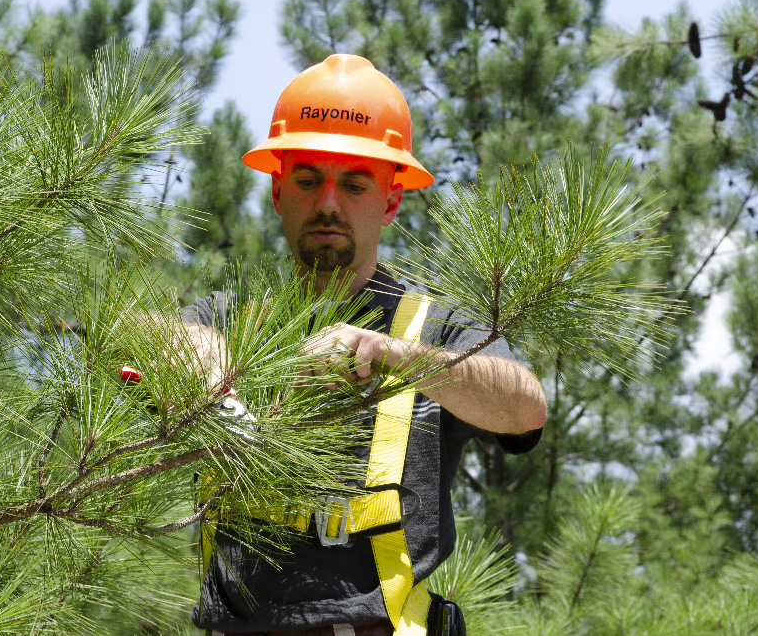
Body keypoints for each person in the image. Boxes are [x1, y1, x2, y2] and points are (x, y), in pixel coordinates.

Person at [184, 54, 547, 636]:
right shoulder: (231, 319)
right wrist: (220, 381)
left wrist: (390, 353)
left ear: (391, 201)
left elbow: (526, 408)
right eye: (308, 180)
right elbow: (166, 337)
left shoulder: (437, 332)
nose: (329, 203)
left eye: (354, 183)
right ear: (278, 191)